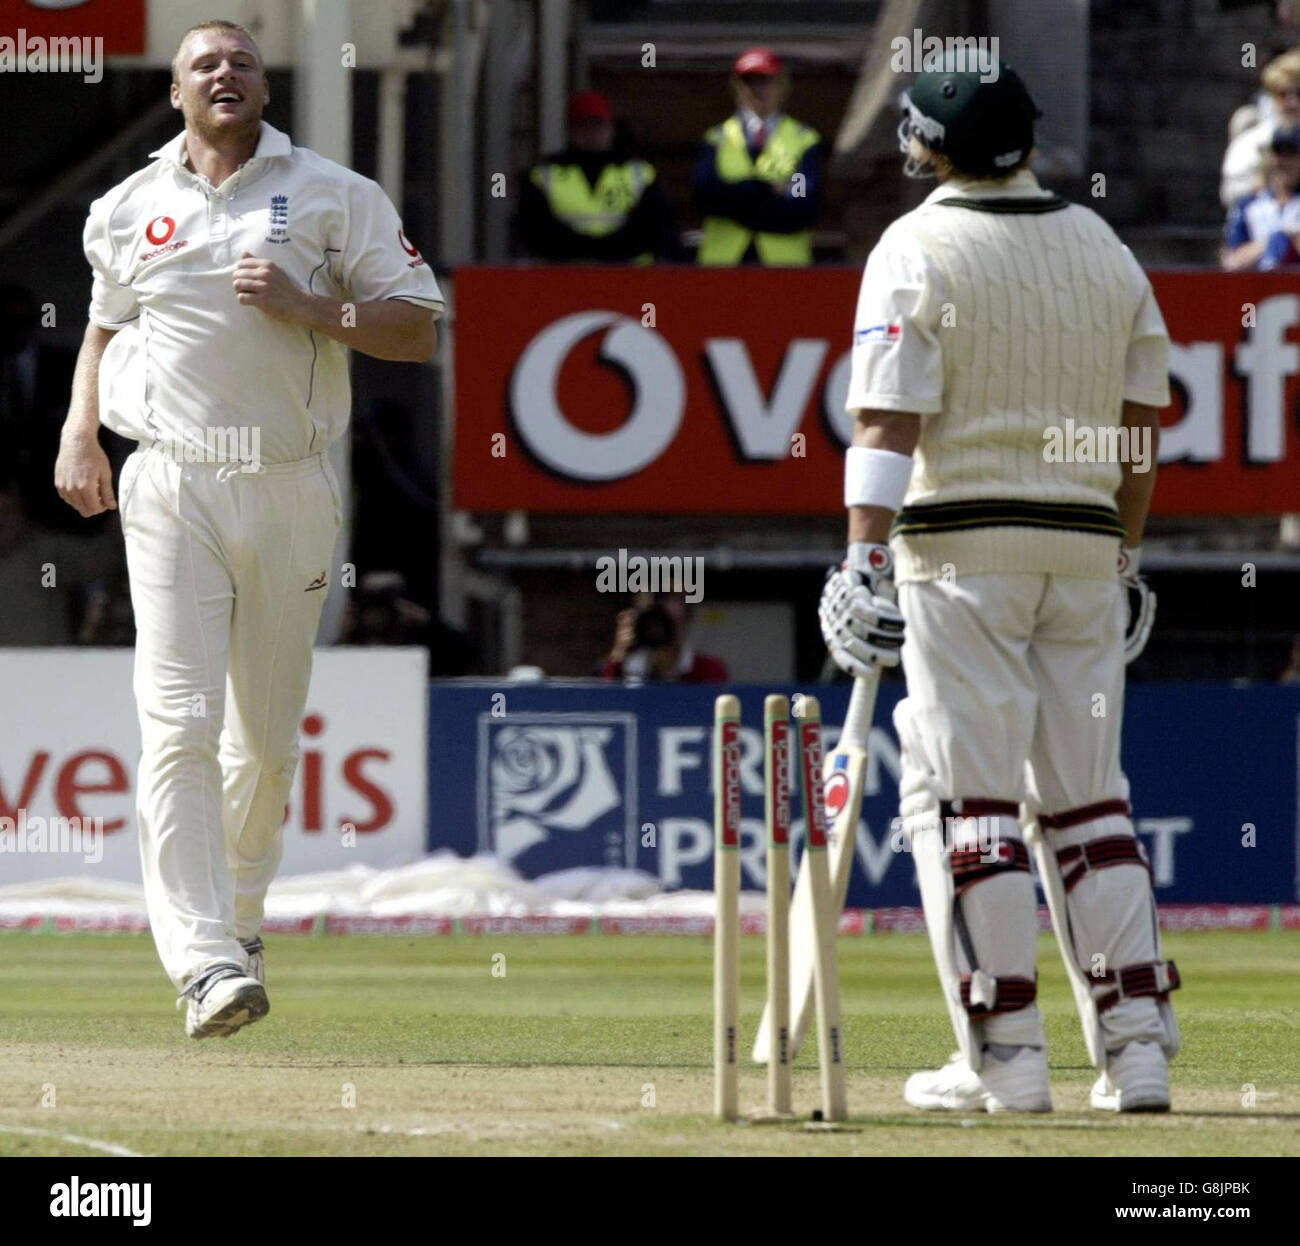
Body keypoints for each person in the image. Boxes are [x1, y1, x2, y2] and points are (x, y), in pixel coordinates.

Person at [53, 20, 443, 1038]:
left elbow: (417, 327)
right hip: (172, 481)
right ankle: (202, 963)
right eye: (202, 65)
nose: (224, 74)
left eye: (241, 62)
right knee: (175, 719)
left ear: (264, 88)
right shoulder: (126, 205)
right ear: (175, 94)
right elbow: (103, 327)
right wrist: (79, 432)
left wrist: (314, 306)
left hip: (289, 483)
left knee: (263, 747)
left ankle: (240, 917)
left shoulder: (333, 193)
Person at [819, 56, 1180, 1113]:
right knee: (1087, 802)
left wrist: (860, 553)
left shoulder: (914, 245)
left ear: (926, 148)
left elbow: (888, 421)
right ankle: (1135, 1047)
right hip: (1078, 552)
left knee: (960, 799)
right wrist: (1122, 551)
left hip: (961, 548)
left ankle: (1008, 1058)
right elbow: (1140, 427)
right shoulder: (1101, 245)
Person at [516, 90, 680, 263]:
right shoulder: (544, 175)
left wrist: (603, 249)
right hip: (563, 279)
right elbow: (534, 230)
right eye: (583, 125)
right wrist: (590, 248)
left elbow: (655, 227)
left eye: (598, 124)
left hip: (628, 279)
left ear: (612, 128)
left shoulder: (640, 173)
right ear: (571, 130)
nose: (591, 132)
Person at [693, 47, 823, 265]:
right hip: (723, 264)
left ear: (782, 85)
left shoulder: (803, 140)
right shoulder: (717, 138)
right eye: (748, 82)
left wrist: (735, 200)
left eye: (765, 81)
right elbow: (706, 197)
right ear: (737, 87)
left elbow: (803, 204)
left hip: (784, 266)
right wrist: (766, 190)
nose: (757, 89)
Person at [1221, 47, 1300, 208]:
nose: (1292, 103)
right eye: (1283, 94)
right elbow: (1230, 194)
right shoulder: (1249, 143)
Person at [599, 593, 728, 682]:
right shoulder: (621, 670)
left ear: (686, 621)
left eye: (666, 623)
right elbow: (604, 708)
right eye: (651, 623)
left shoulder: (710, 671)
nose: (657, 630)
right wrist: (618, 656)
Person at [1221, 129, 1300, 268]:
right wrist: (1273, 242)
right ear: (1269, 159)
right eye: (1279, 154)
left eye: (1291, 154)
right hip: (1257, 283)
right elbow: (1232, 259)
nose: (1284, 163)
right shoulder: (1248, 205)